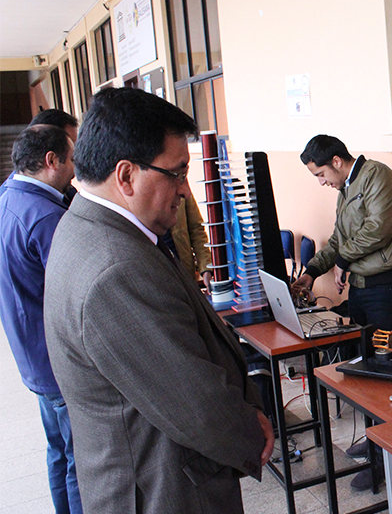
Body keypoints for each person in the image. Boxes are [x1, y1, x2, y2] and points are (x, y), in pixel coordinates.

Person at [43, 87, 274, 514]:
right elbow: (195, 404)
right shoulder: (115, 270)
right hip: (163, 490)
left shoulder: (92, 229)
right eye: (176, 173)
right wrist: (250, 431)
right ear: (126, 176)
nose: (185, 191)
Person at [291, 134, 392, 491]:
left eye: (320, 174)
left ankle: (383, 461)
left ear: (337, 161)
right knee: (364, 372)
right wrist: (312, 272)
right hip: (362, 289)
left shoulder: (378, 176)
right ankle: (376, 440)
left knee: (381, 372)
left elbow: (378, 229)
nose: (322, 182)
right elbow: (338, 239)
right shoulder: (346, 189)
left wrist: (343, 261)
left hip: (385, 287)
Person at [0, 124, 82, 513]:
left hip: (31, 356)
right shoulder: (45, 217)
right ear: (51, 161)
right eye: (71, 158)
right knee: (81, 460)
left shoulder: (8, 198)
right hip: (56, 361)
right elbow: (75, 291)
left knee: (59, 451)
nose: (75, 168)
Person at [161, 198, 214, 294]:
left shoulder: (180, 187)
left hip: (185, 272)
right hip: (158, 276)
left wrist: (206, 269)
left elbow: (196, 230)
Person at [28, 109, 79, 205]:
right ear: (51, 159)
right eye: (69, 145)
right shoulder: (44, 212)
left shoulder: (64, 188)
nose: (74, 172)